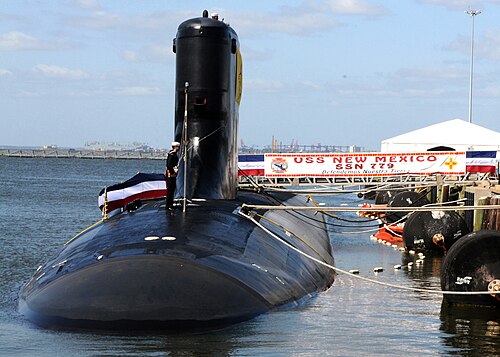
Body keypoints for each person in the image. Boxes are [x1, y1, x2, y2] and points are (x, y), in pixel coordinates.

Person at [165, 141, 180, 210]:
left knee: (172, 189)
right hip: (171, 175)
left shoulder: (174, 154)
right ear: (175, 147)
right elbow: (169, 165)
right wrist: (173, 172)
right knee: (170, 190)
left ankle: (170, 204)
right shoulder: (172, 154)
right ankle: (168, 205)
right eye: (178, 147)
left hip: (172, 175)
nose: (179, 148)